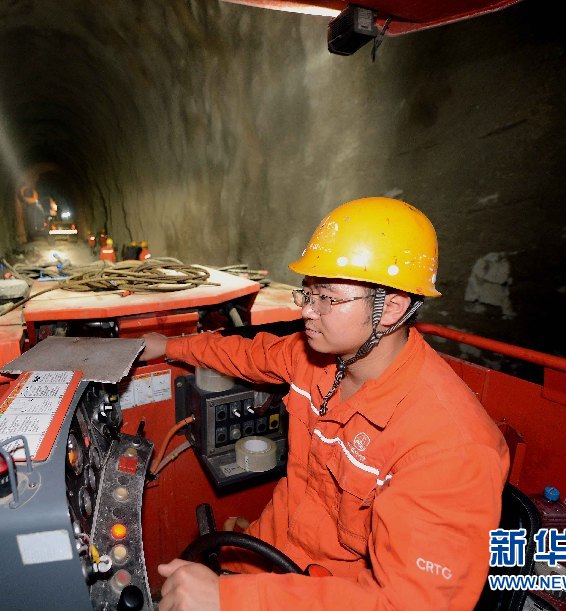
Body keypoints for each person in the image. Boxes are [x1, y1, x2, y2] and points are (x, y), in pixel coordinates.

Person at [144, 197, 510, 611]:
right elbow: (248, 354)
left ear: (391, 307)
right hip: (266, 556)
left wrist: (232, 598)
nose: (307, 312)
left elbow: (408, 605)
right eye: (308, 293)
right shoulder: (320, 358)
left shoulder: (452, 449)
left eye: (327, 298)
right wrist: (167, 346)